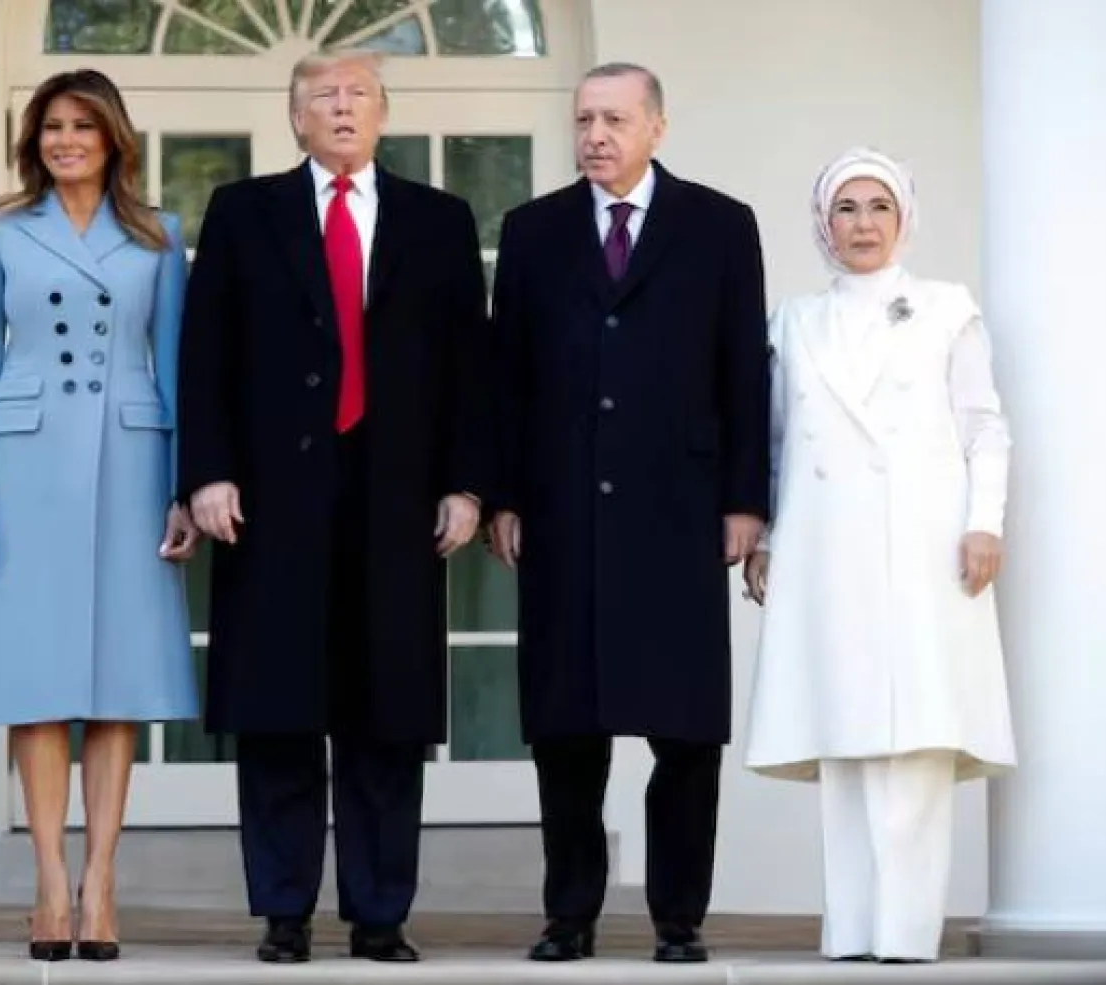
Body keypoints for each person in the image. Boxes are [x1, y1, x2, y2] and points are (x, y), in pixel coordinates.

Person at [177, 49, 490, 964]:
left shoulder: (439, 220)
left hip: (398, 500)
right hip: (271, 499)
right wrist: (207, 473)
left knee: (385, 713)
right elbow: (206, 354)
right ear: (295, 117)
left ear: (384, 113)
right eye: (323, 96)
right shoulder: (244, 214)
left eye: (358, 94)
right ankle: (283, 910)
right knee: (279, 710)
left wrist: (468, 483)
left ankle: (380, 912)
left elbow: (471, 367)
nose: (342, 107)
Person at [487, 62, 769, 964]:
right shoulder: (532, 231)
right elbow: (508, 380)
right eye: (583, 120)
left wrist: (745, 501)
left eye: (613, 119)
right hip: (562, 512)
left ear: (657, 125)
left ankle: (678, 918)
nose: (595, 135)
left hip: (679, 513)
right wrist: (504, 494)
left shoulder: (721, 226)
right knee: (566, 731)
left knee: (684, 731)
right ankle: (568, 914)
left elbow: (742, 374)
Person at [0, 68, 200, 963]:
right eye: (50, 126)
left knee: (118, 678)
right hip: (25, 465)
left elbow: (175, 368)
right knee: (38, 676)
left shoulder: (160, 236)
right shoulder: (3, 232)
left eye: (82, 127)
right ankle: (51, 881)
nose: (64, 141)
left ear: (112, 139)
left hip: (131, 464)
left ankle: (102, 883)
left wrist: (182, 488)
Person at [742, 146, 1016, 964]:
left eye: (878, 207)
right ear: (824, 223)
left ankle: (905, 934)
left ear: (904, 219)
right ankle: (852, 930)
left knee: (918, 737)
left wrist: (985, 521)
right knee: (850, 737)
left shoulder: (946, 308)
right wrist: (764, 535)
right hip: (828, 547)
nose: (863, 224)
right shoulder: (793, 320)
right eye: (847, 209)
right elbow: (774, 445)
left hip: (925, 544)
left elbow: (984, 425)